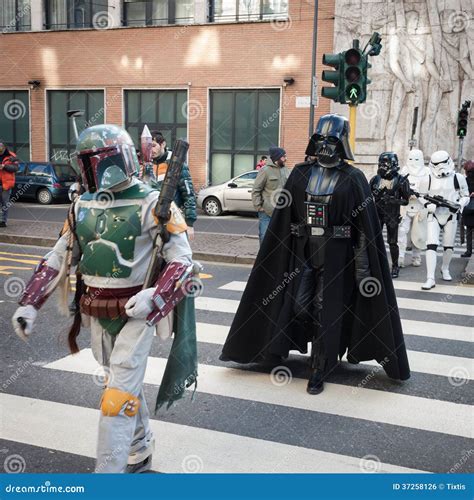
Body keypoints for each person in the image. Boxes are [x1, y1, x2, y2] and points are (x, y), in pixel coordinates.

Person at [11, 124, 198, 473]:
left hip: (136, 314)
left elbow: (183, 261)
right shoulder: (81, 205)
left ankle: (107, 476)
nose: (94, 171)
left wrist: (155, 297)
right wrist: (29, 302)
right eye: (87, 164)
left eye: (98, 162)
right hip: (95, 313)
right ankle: (140, 447)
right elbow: (59, 255)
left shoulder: (154, 204)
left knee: (116, 396)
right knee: (120, 384)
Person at [221, 114, 410, 395]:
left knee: (326, 309)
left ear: (342, 142)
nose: (325, 145)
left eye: (331, 139)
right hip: (303, 254)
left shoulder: (354, 178)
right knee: (299, 306)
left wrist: (362, 269)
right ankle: (283, 348)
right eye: (320, 138)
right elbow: (284, 220)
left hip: (338, 258)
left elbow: (363, 231)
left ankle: (319, 365)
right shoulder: (300, 173)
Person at [422, 151, 470, 289]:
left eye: (443, 163)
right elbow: (421, 196)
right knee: (431, 245)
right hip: (434, 215)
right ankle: (430, 277)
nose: (441, 167)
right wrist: (427, 205)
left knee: (448, 246)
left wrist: (459, 204)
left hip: (451, 215)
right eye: (437, 164)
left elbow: (465, 195)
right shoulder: (428, 179)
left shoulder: (458, 178)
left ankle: (445, 268)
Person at [148, 131, 197, 240]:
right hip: (152, 222)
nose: (151, 150)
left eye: (154, 145)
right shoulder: (148, 166)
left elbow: (188, 193)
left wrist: (189, 223)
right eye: (148, 146)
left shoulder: (176, 164)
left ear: (163, 144)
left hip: (173, 219)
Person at [370, 153, 410, 278]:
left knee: (392, 242)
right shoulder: (375, 179)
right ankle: (377, 265)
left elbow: (406, 201)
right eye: (381, 162)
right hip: (377, 213)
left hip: (392, 214)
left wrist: (392, 200)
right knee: (375, 240)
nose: (383, 165)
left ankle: (395, 266)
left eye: (386, 163)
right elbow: (367, 195)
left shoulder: (401, 180)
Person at [398, 149, 430, 267]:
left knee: (418, 234)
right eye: (411, 158)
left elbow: (430, 189)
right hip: (406, 206)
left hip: (420, 206)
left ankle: (416, 257)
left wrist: (421, 196)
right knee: (402, 232)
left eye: (416, 159)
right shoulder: (404, 170)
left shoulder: (427, 172)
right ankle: (400, 256)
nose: (413, 162)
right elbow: (399, 186)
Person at [252, 146, 289, 244]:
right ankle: (263, 259)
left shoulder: (286, 170)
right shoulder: (265, 170)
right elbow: (256, 190)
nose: (286, 159)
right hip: (267, 212)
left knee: (280, 239)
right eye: (284, 156)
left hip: (282, 212)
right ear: (277, 158)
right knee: (265, 237)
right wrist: (258, 207)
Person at [0, 142, 19, 228]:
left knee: (5, 203)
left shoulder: (12, 156)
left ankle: (3, 221)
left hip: (6, 184)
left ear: (4, 147)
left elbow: (15, 168)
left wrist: (4, 167)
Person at [461, 160, 474, 258]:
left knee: (469, 231)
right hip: (470, 207)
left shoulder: (465, 180)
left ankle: (468, 251)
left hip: (468, 207)